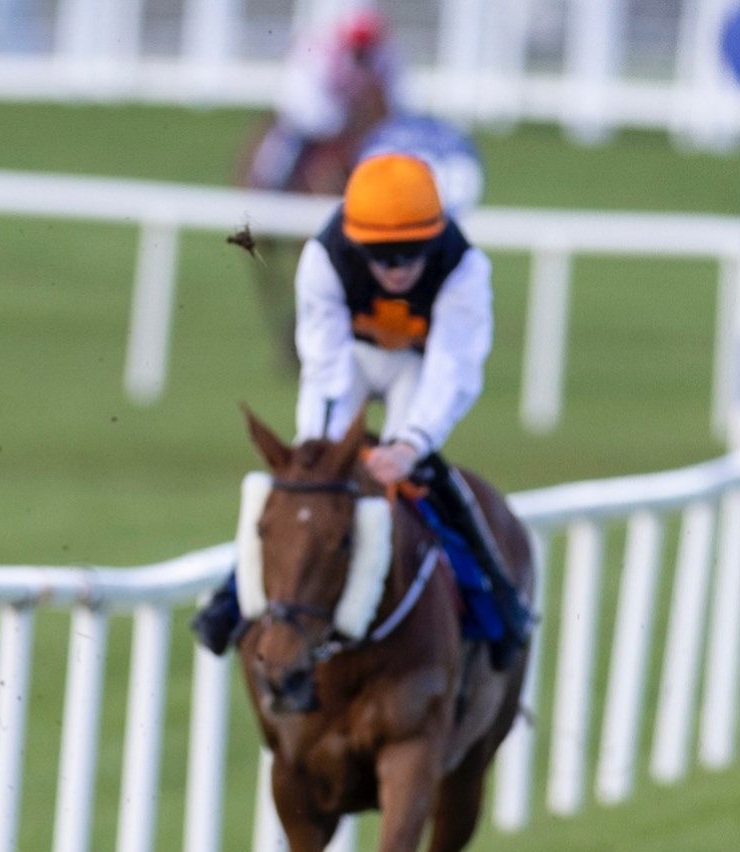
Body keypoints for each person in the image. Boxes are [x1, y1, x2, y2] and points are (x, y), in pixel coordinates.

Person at [196, 151, 533, 669]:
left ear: (434, 239)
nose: (394, 269)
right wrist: (328, 451)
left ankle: (499, 603)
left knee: (420, 473)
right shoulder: (324, 258)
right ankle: (231, 599)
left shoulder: (464, 266)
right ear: (356, 244)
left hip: (417, 366)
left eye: (409, 253)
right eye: (380, 255)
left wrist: (409, 444)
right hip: (348, 359)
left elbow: (453, 369)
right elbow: (326, 364)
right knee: (312, 483)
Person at [245, 7, 403, 194]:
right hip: (314, 107)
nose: (362, 55)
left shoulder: (384, 56)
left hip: (348, 110)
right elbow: (315, 104)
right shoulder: (325, 57)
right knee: (293, 140)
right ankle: (272, 181)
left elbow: (391, 97)